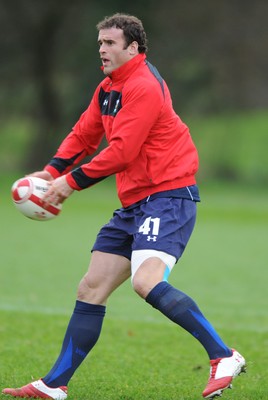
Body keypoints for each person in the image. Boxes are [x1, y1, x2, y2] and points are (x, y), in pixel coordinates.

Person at [3, 13, 246, 400]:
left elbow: (123, 151)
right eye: (100, 43)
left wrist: (71, 183)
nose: (102, 49)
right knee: (91, 287)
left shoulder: (144, 86)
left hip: (168, 196)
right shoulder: (108, 88)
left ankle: (224, 355)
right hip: (135, 201)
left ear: (134, 48)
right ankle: (54, 385)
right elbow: (85, 133)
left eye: (111, 43)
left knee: (145, 282)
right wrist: (51, 172)